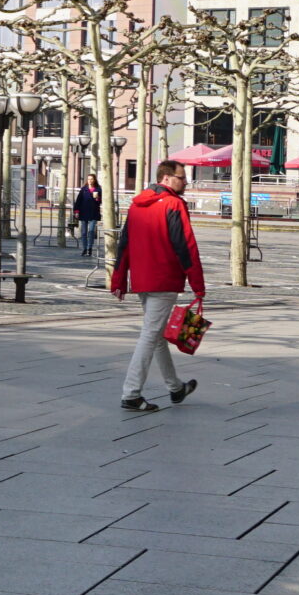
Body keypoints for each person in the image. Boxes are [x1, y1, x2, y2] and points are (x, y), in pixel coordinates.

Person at [110, 161, 205, 412]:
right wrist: (198, 284)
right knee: (150, 336)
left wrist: (119, 279)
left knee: (157, 334)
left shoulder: (137, 204)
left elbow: (124, 244)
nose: (185, 182)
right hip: (165, 279)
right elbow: (185, 246)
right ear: (166, 178)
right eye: (181, 178)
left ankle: (176, 388)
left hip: (142, 280)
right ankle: (131, 393)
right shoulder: (174, 204)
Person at [73, 176, 103, 258]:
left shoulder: (98, 189)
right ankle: (84, 248)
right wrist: (76, 211)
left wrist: (97, 199)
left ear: (94, 180)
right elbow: (78, 201)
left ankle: (90, 248)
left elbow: (101, 201)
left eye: (91, 179)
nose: (90, 180)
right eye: (88, 179)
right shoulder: (83, 189)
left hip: (93, 212)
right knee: (84, 232)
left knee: (91, 231)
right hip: (84, 212)